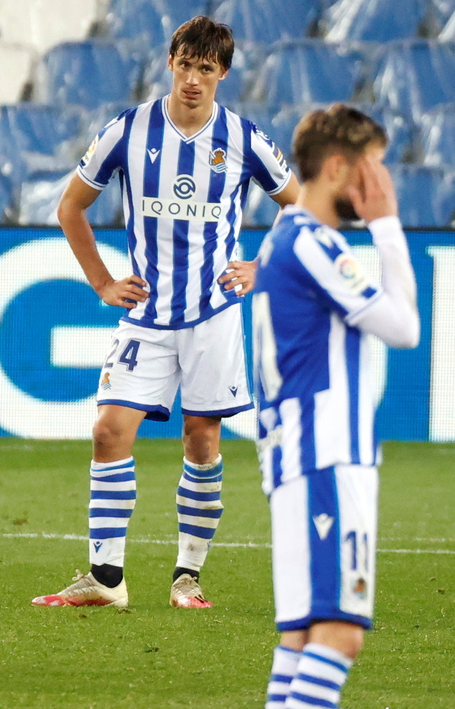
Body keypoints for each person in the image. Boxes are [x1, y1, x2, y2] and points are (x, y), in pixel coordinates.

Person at [31, 15, 300, 610]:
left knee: (201, 442)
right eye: (185, 65)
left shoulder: (244, 138)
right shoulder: (127, 130)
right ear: (170, 64)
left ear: (222, 73)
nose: (193, 79)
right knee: (108, 432)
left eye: (206, 68)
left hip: (213, 315)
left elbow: (298, 205)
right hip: (146, 317)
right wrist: (102, 282)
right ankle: (106, 580)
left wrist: (264, 267)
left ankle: (187, 578)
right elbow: (71, 207)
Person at [253, 105, 418, 708]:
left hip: (299, 457)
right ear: (337, 168)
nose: (380, 184)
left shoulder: (282, 240)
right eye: (371, 168)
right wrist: (387, 225)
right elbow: (403, 328)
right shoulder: (312, 242)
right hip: (325, 455)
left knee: (301, 640)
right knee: (339, 635)